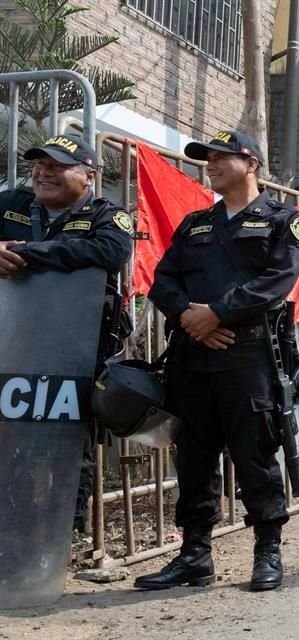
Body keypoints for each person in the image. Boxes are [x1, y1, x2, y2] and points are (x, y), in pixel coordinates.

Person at [136, 130, 299, 592]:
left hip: (248, 355)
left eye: (219, 157)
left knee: (254, 452)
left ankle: (267, 550)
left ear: (250, 164)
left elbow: (279, 280)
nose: (209, 164)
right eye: (205, 158)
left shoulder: (282, 220)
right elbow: (163, 279)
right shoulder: (195, 224)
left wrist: (218, 313)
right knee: (193, 456)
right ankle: (194, 555)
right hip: (192, 356)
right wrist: (190, 318)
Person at [0, 134, 133, 534]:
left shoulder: (106, 215)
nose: (44, 173)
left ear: (88, 176)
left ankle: (64, 532)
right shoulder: (11, 204)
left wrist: (27, 252)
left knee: (71, 440)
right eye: (40, 165)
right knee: (11, 436)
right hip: (13, 342)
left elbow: (110, 252)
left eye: (57, 166)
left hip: (77, 348)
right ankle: (14, 526)